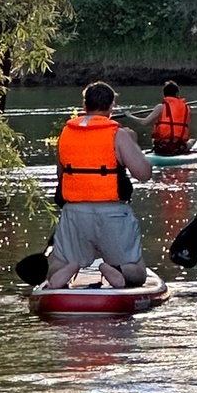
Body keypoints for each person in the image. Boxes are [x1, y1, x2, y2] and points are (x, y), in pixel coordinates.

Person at [48, 82, 153, 288]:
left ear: (84, 105)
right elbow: (143, 173)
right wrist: (134, 143)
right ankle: (116, 269)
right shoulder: (118, 135)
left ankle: (67, 269)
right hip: (112, 214)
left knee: (55, 265)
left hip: (74, 213)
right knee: (138, 273)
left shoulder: (66, 134)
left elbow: (62, 176)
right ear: (111, 106)